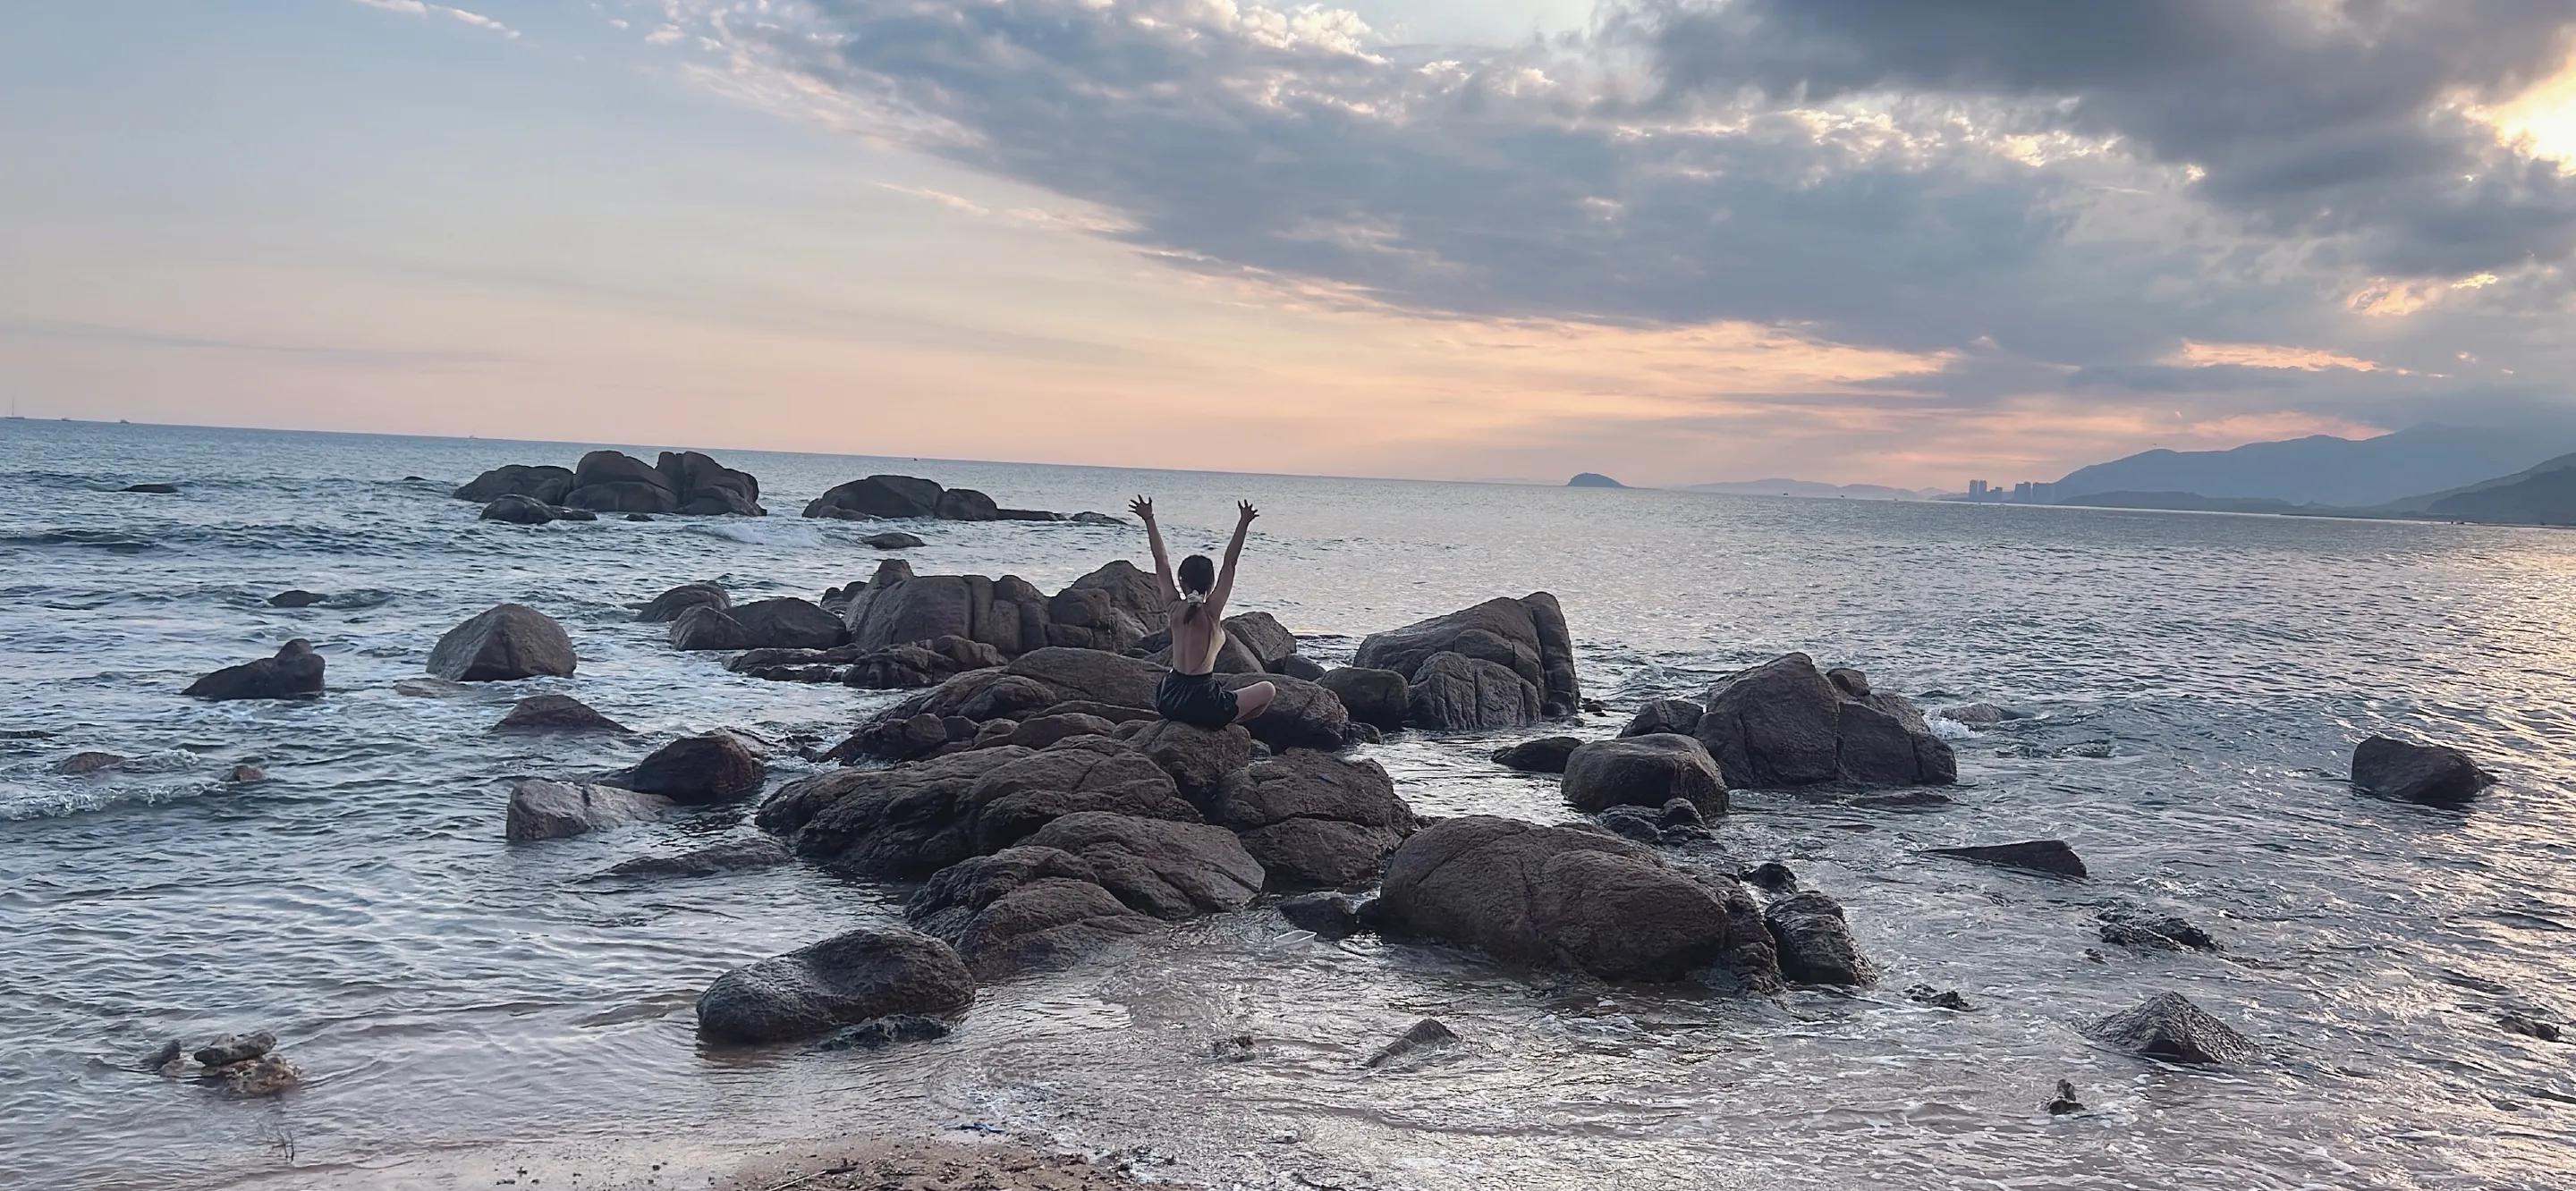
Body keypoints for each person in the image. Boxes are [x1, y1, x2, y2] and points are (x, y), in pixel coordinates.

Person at [1131, 495, 1275, 729]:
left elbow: (1161, 561)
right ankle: (1228, 724)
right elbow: (1230, 563)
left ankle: (1223, 720)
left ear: (1181, 581)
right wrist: (1244, 522)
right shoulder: (1211, 612)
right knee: (1268, 689)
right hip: (1201, 703)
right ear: (1210, 584)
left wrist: (1149, 518)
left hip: (1168, 698)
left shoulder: (1174, 607)